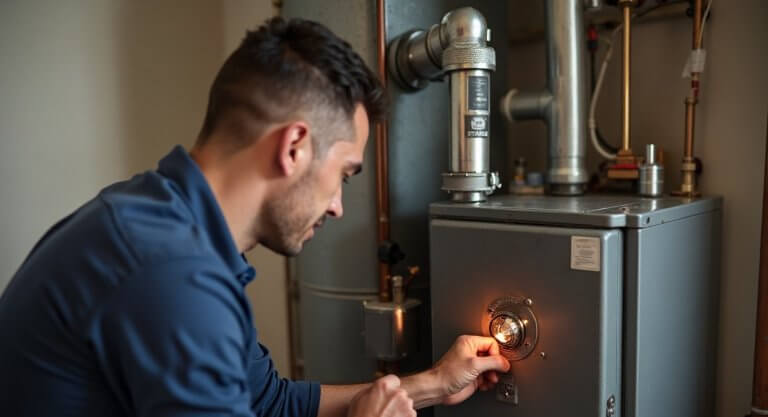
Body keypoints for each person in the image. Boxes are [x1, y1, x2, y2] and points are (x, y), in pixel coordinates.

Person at [0, 17, 509, 417]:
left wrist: (433, 384)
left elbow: (268, 404)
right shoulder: (171, 272)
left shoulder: (168, 223)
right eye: (344, 174)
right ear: (294, 147)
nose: (337, 205)